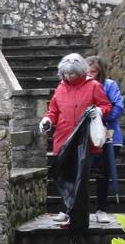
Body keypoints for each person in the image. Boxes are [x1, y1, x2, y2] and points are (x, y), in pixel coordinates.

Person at [40, 53, 111, 230]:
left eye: (72, 74)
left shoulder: (93, 86)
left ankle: (78, 217)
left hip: (85, 141)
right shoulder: (60, 88)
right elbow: (53, 111)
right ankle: (68, 210)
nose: (69, 77)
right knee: (65, 176)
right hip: (63, 139)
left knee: (80, 180)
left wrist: (99, 112)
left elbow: (107, 106)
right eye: (65, 74)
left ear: (80, 72)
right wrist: (48, 120)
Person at [86, 55, 125, 224]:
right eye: (88, 72)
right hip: (87, 137)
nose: (91, 75)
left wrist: (102, 118)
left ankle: (101, 208)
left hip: (109, 135)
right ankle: (73, 209)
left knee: (103, 174)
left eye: (94, 72)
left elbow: (118, 105)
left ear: (100, 72)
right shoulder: (83, 87)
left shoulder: (109, 85)